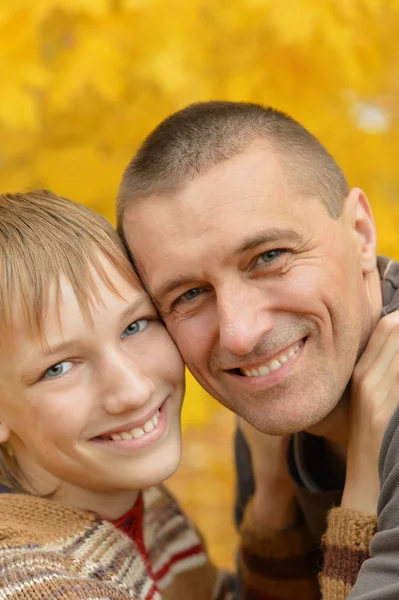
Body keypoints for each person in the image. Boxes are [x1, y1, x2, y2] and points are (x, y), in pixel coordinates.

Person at [116, 100, 399, 599]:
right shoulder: (273, 410)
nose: (240, 333)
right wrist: (271, 503)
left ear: (359, 233)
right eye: (189, 295)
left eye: (269, 256)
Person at [0, 188, 299, 599]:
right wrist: (361, 504)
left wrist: (272, 499)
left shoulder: (143, 505)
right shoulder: (25, 580)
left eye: (135, 326)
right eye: (59, 368)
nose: (133, 389)